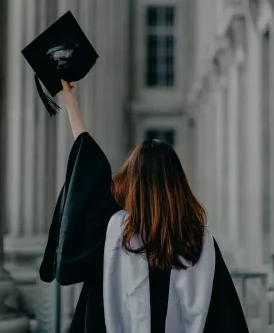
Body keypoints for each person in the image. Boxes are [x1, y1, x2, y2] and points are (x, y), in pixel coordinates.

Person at [39, 80, 249, 333]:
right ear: (178, 183)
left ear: (131, 182)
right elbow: (227, 320)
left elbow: (88, 170)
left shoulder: (114, 234)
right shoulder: (199, 241)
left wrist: (71, 103)